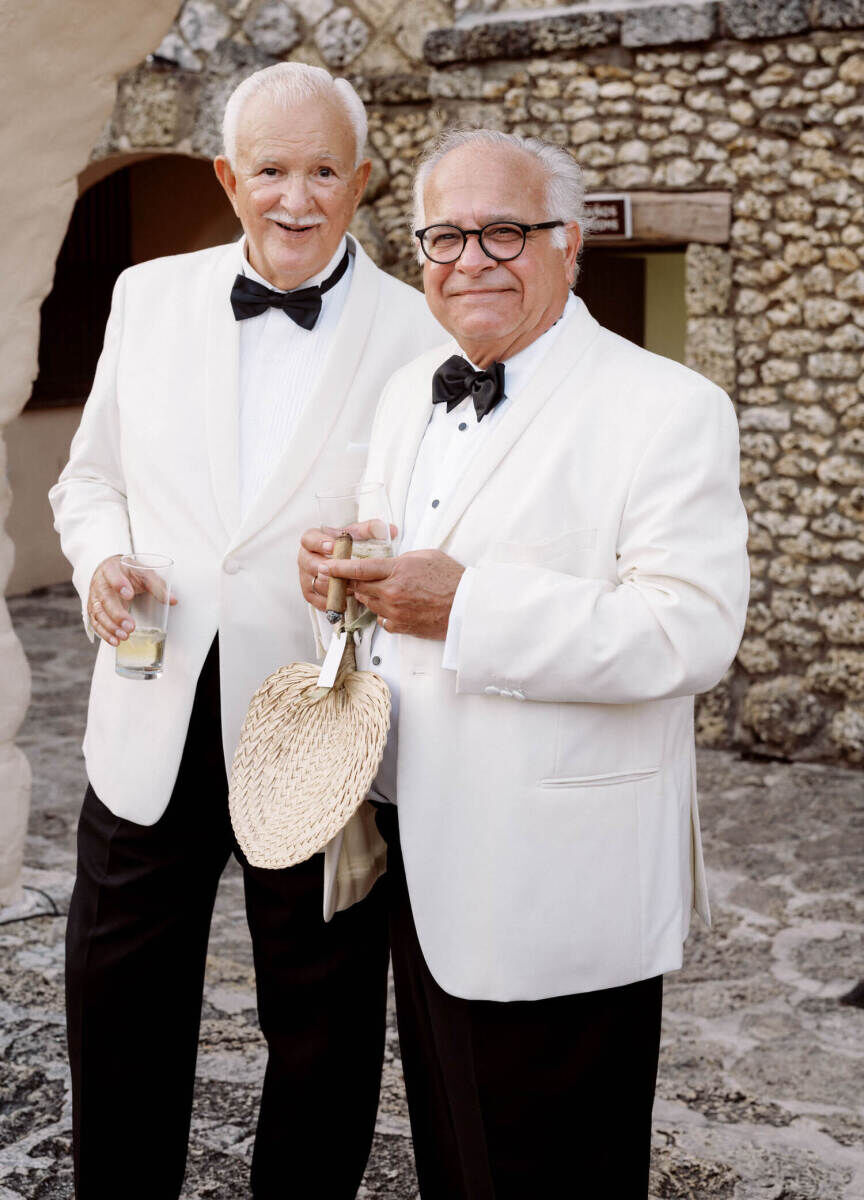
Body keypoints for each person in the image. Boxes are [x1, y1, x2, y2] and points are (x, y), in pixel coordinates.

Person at [300, 128, 750, 1199]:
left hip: (561, 879)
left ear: (570, 244)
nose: (471, 259)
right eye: (444, 237)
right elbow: (392, 560)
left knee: (561, 1169)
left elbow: (690, 631)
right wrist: (340, 575)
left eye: (505, 230)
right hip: (420, 850)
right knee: (462, 1158)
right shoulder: (412, 390)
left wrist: (470, 607)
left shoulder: (667, 407)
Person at [49, 62, 442, 1200]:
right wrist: (97, 561)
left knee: (320, 1026)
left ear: (362, 181)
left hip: (319, 726)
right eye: (271, 169)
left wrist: (376, 571)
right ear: (229, 177)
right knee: (116, 1005)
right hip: (149, 710)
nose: (297, 196)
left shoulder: (420, 335)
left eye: (324, 170)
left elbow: (439, 525)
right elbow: (91, 479)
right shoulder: (146, 297)